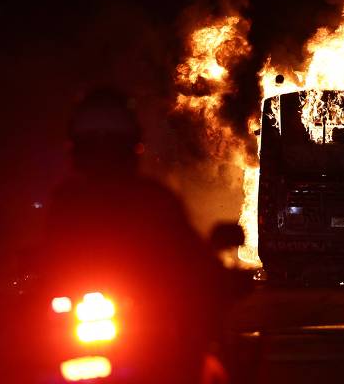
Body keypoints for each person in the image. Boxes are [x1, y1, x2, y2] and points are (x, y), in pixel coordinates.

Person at [38, 87, 219, 383]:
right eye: (94, 147)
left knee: (201, 360)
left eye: (111, 147)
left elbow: (195, 263)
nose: (103, 158)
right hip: (76, 333)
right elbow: (45, 266)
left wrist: (211, 281)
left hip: (151, 337)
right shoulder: (67, 204)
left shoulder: (154, 201)